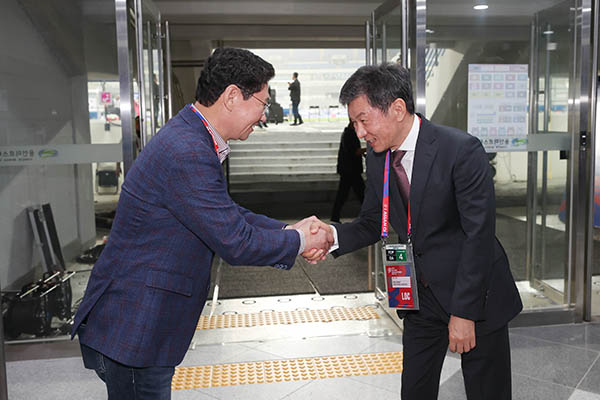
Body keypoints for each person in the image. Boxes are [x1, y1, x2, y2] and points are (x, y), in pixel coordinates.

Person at [72, 48, 333, 400]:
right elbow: (235, 241)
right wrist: (300, 242)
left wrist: (288, 231)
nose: (263, 115)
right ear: (231, 96)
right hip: (134, 330)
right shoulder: (188, 150)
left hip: (140, 326)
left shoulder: (191, 137)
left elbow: (223, 213)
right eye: (262, 103)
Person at [329, 63, 523, 400]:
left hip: (475, 294)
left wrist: (464, 313)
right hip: (419, 296)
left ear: (397, 109)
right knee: (415, 389)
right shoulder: (378, 158)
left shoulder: (461, 150)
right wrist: (329, 237)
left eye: (363, 120)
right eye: (354, 123)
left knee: (486, 390)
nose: (359, 132)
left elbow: (478, 236)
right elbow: (374, 220)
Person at [330, 120, 365, 223]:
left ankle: (335, 216)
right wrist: (368, 149)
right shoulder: (350, 135)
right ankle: (369, 216)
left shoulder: (348, 134)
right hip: (351, 170)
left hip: (348, 170)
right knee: (361, 194)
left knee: (344, 194)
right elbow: (355, 151)